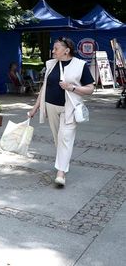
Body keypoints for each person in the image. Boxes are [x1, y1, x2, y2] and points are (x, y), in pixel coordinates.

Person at [28, 37, 94, 187]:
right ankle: (63, 163)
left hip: (69, 108)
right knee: (58, 140)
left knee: (65, 138)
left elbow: (90, 89)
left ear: (66, 50)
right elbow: (44, 88)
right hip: (51, 106)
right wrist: (35, 107)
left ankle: (61, 173)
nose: (53, 51)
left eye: (56, 48)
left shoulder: (80, 65)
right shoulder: (51, 64)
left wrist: (71, 87)